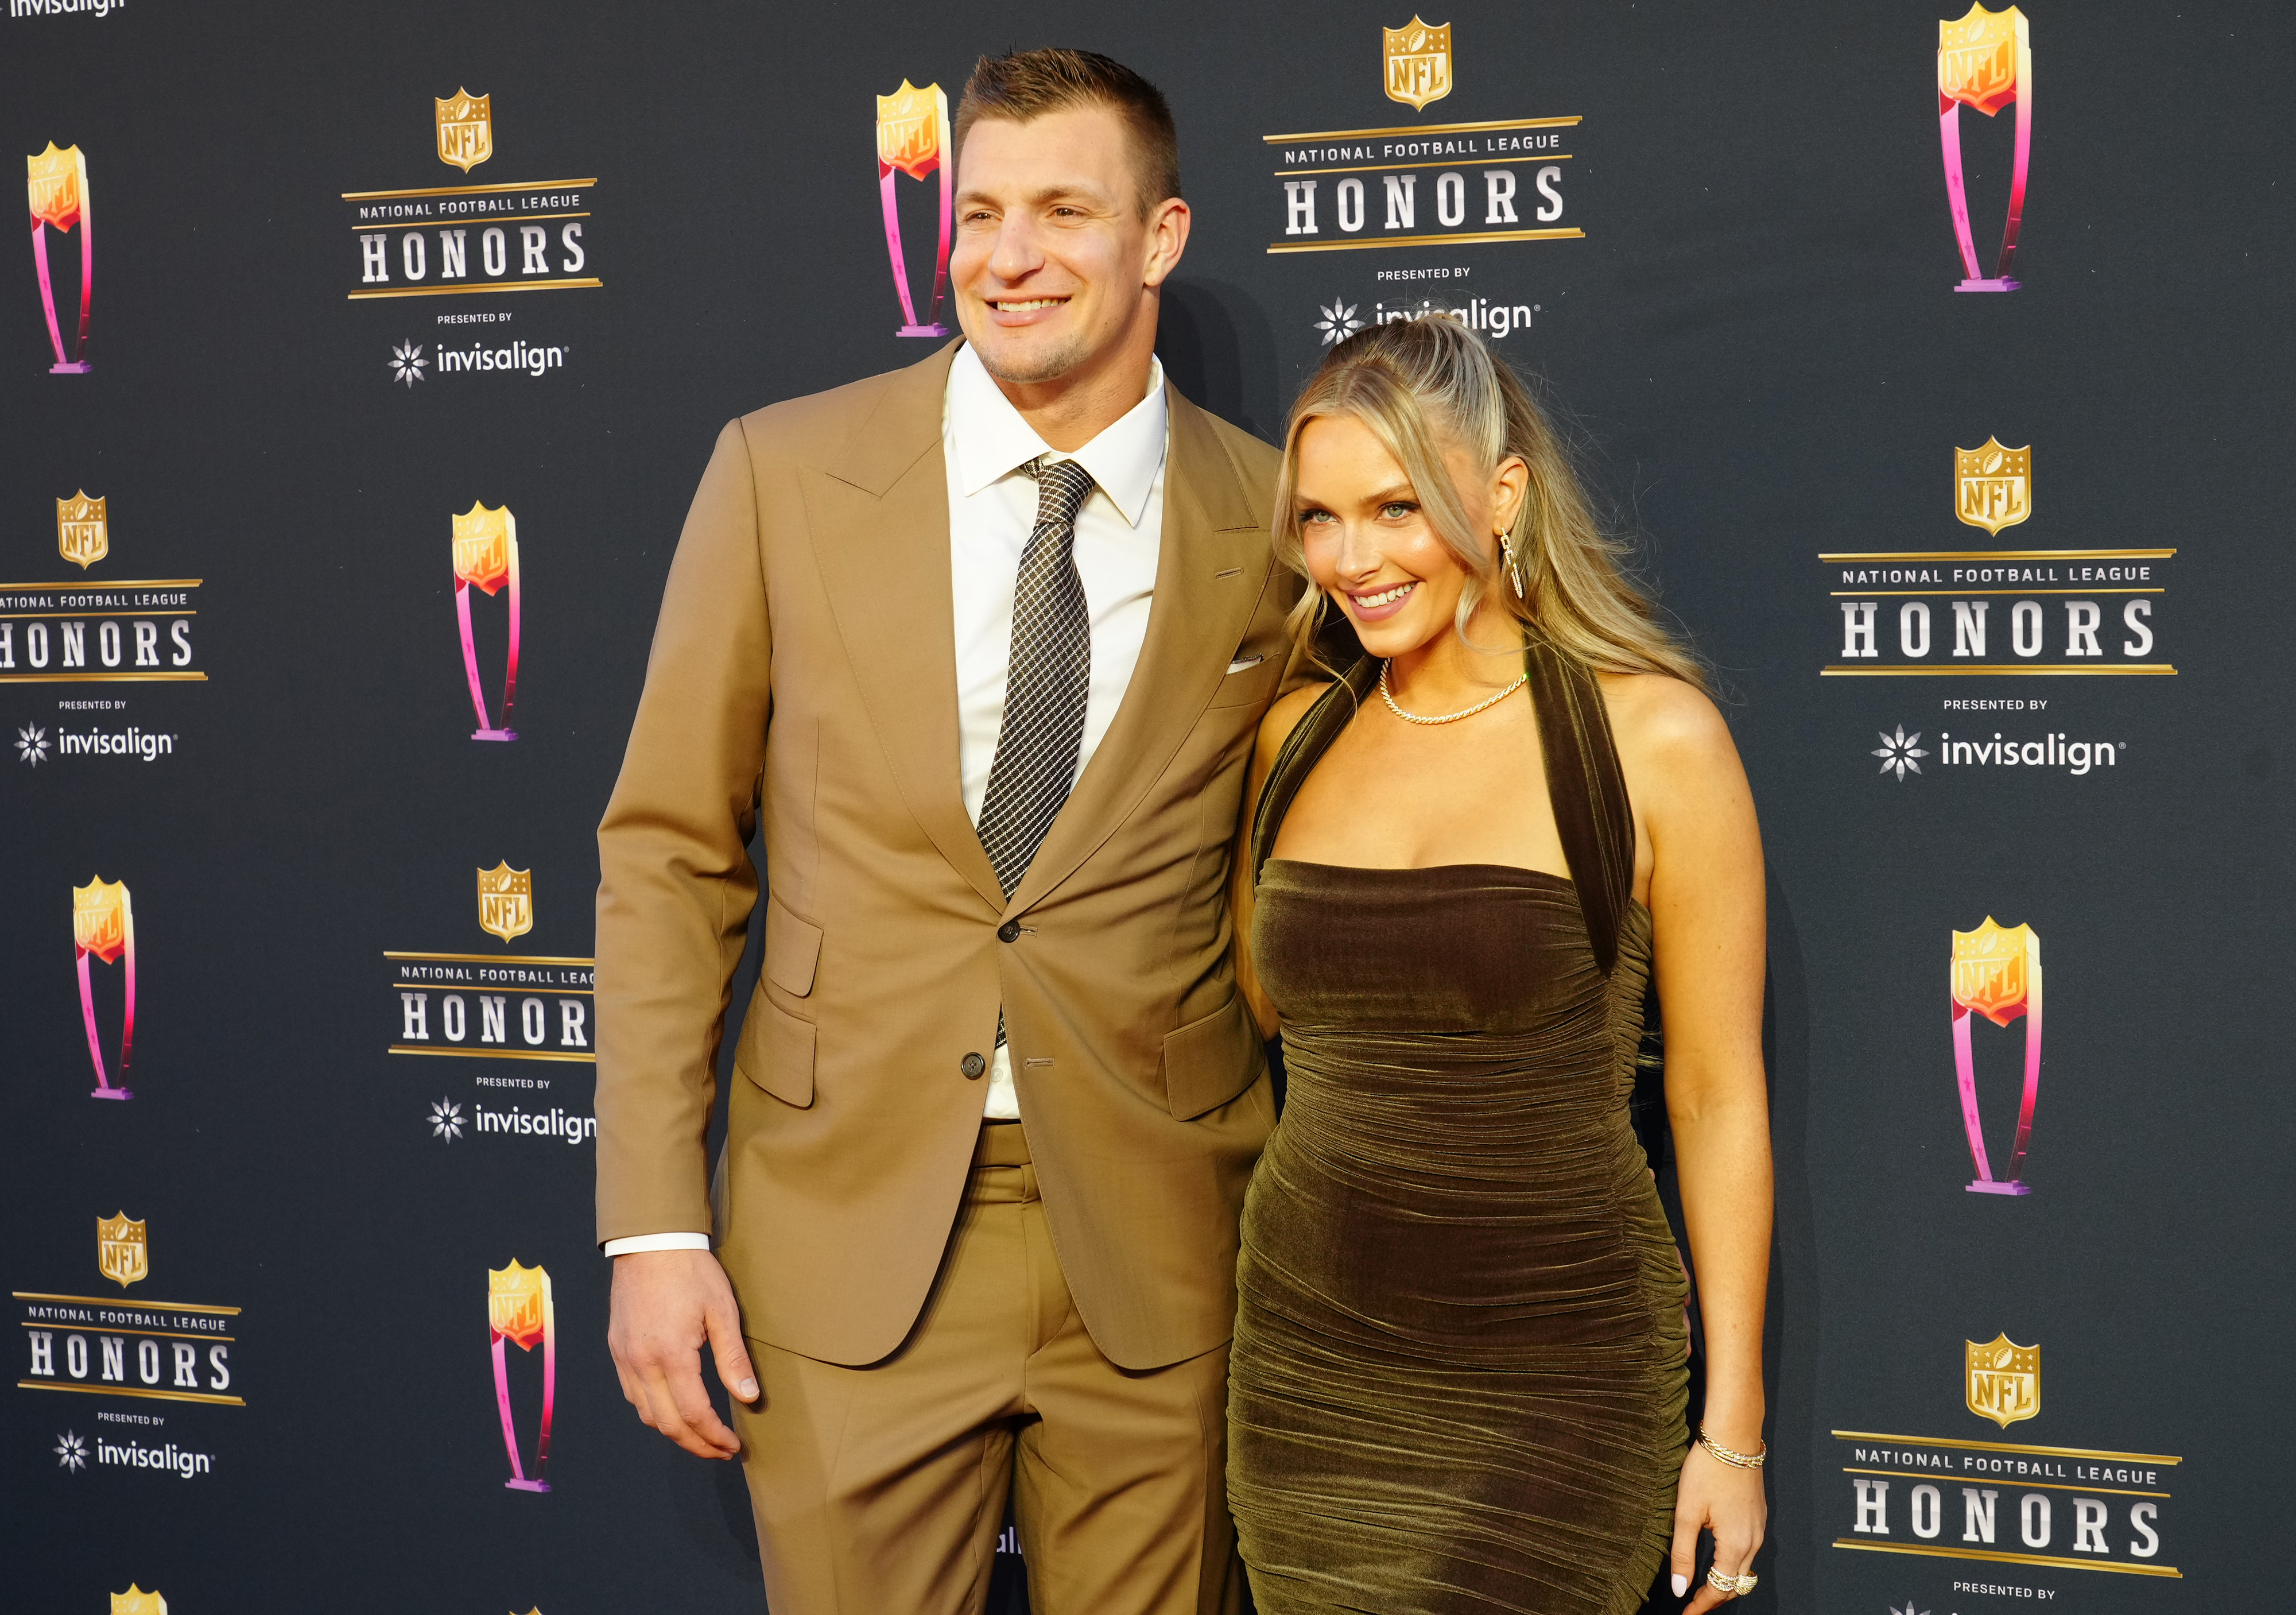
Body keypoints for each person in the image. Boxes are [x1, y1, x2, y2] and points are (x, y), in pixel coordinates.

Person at [591, 48, 1297, 1615]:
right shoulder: (782, 473)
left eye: (1063, 211)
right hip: (845, 1236)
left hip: (1165, 1246)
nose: (1008, 256)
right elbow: (669, 853)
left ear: (1161, 238)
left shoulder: (1276, 520)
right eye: (979, 213)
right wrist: (651, 1223)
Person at [1224, 317, 1774, 1615]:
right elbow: (1271, 1010)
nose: (1353, 559)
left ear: (1504, 495)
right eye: (1319, 520)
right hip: (1312, 1364)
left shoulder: (1654, 740)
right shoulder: (1295, 738)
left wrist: (1734, 1428)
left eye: (1396, 507)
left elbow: (1713, 1097)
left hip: (1556, 1372)